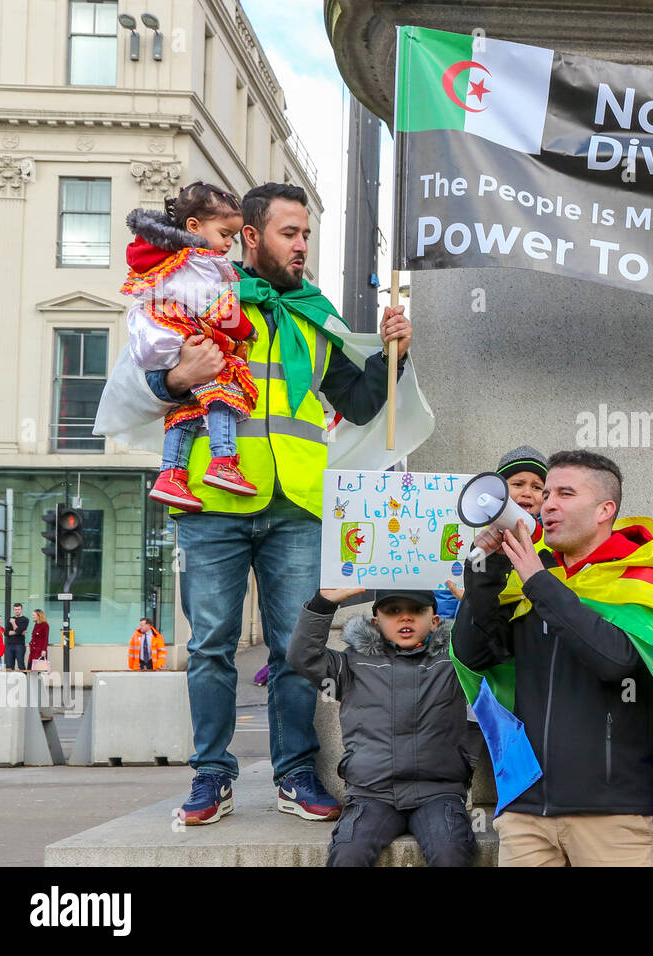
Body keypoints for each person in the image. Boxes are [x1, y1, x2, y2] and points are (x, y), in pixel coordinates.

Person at [147, 182, 412, 826]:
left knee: (295, 650)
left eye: (306, 236)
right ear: (251, 235)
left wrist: (395, 355)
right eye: (289, 234)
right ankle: (212, 776)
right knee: (211, 645)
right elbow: (151, 373)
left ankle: (295, 773)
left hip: (296, 503)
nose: (301, 247)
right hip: (214, 496)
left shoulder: (313, 314)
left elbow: (358, 403)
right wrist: (179, 378)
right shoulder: (203, 289)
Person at [451, 449, 653, 866]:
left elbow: (616, 662)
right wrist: (484, 577)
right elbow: (474, 656)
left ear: (604, 510)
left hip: (614, 816)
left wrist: (539, 582)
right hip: (526, 813)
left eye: (565, 493)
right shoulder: (531, 581)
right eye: (547, 493)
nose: (546, 503)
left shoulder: (641, 581)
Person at [287, 587, 476, 867]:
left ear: (435, 620)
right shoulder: (352, 663)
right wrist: (323, 603)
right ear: (376, 622)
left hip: (438, 793)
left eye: (416, 611)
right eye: (393, 611)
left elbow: (495, 652)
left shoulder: (453, 661)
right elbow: (302, 655)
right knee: (348, 855)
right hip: (370, 795)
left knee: (451, 852)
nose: (405, 619)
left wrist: (478, 603)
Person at [122, 182, 259, 511]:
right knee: (222, 387)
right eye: (225, 234)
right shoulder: (196, 261)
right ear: (194, 227)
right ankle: (223, 460)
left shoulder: (172, 257)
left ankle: (170, 474)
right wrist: (245, 329)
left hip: (163, 338)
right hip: (180, 333)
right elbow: (212, 303)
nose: (229, 244)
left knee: (186, 407)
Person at [442, 445, 548, 606]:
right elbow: (462, 581)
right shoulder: (481, 536)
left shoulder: (551, 540)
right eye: (518, 484)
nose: (527, 492)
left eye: (537, 487)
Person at [4, 603, 28, 671]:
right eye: (15, 609)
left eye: (18, 609)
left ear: (21, 610)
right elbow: (6, 633)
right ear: (13, 610)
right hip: (9, 645)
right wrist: (18, 631)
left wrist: (13, 623)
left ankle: (25, 680)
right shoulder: (10, 619)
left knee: (21, 665)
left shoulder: (25, 620)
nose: (17, 611)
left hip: (19, 645)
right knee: (9, 666)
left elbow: (18, 631)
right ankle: (9, 681)